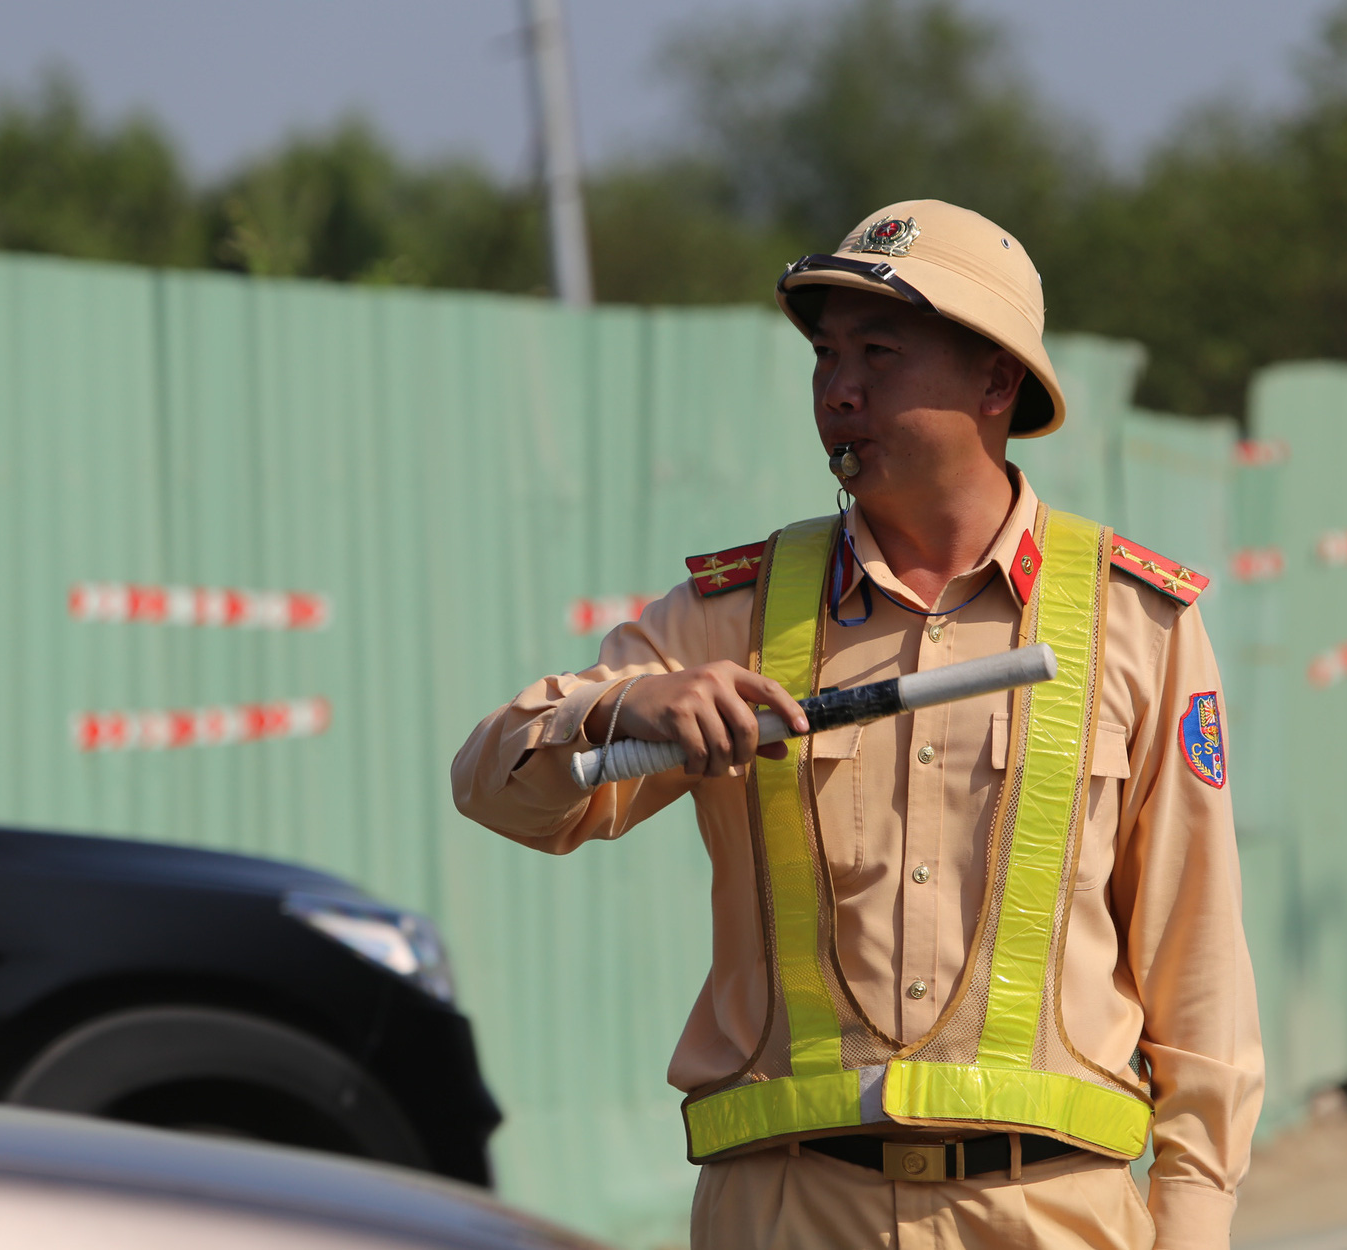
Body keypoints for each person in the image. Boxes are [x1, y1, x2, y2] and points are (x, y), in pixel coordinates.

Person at [451, 199, 1262, 1250]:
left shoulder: (1135, 621)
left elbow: (1194, 961)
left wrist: (1192, 1222)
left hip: (1049, 1217)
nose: (839, 389)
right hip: (786, 1215)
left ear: (994, 380)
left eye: (879, 353)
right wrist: (620, 702)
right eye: (827, 355)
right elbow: (496, 791)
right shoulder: (730, 614)